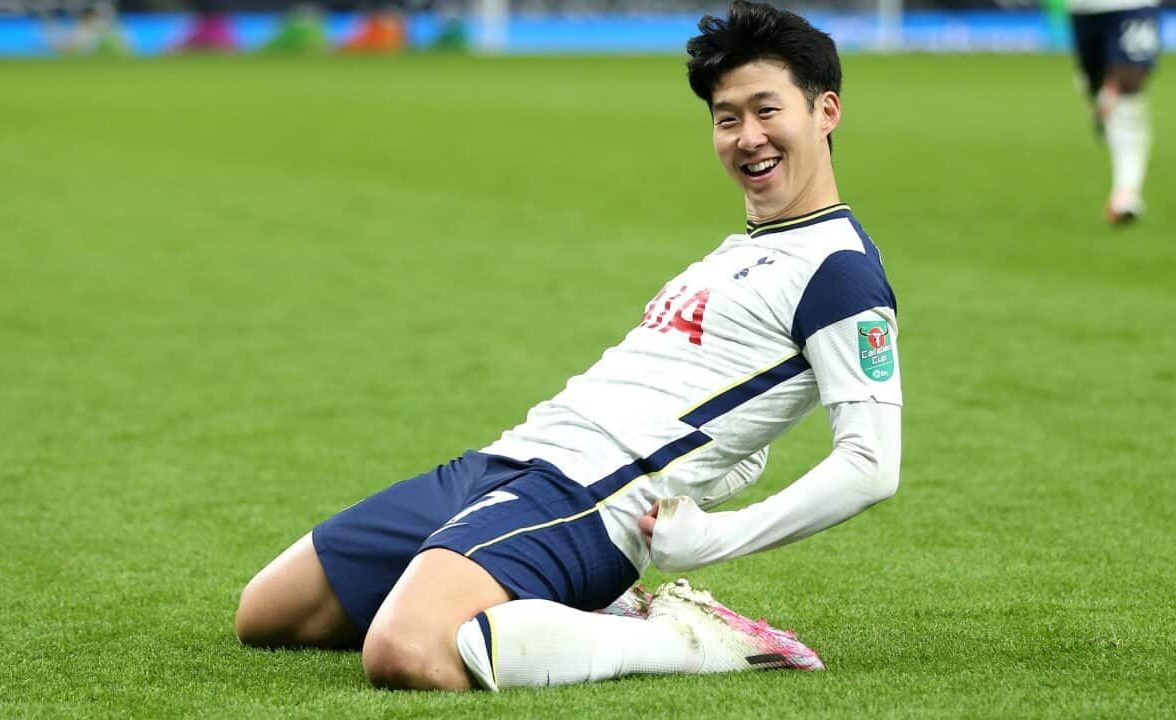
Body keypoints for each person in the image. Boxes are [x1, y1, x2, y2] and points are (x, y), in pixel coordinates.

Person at [235, 0, 902, 691]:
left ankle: (686, 640)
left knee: (407, 652)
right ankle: (564, 600)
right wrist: (724, 463)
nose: (747, 136)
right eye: (726, 117)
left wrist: (714, 538)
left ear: (826, 112)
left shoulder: (840, 269)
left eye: (768, 111)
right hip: (511, 458)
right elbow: (727, 407)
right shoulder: (733, 254)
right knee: (272, 614)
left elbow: (871, 464)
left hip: (590, 496)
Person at [1067, 0, 1161, 225]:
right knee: (1097, 87)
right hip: (1083, 8)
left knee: (1128, 90)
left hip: (1133, 5)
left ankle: (1126, 193)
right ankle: (1104, 102)